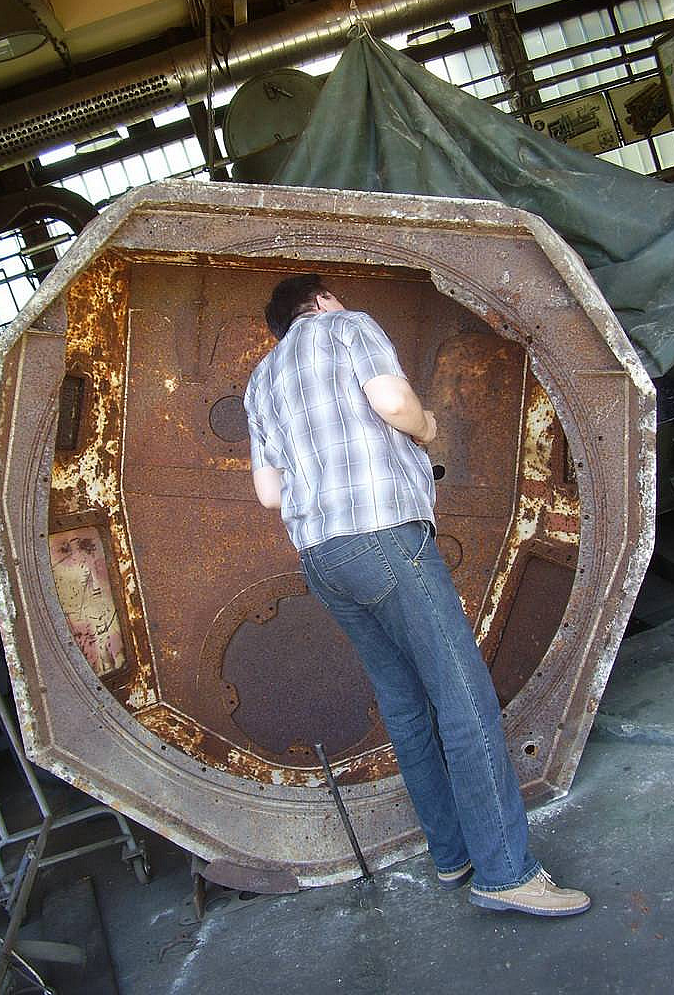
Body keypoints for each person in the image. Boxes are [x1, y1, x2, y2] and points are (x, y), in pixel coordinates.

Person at [243, 273, 590, 917]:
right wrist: (426, 427)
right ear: (319, 301)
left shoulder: (261, 380)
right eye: (333, 297)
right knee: (464, 699)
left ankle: (451, 854)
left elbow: (269, 494)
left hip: (321, 559)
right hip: (384, 537)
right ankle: (505, 872)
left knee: (404, 706)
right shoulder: (346, 326)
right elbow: (393, 402)